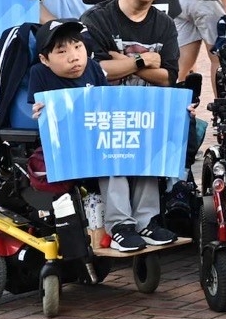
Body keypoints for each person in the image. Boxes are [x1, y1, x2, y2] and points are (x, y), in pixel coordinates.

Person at [29, 18, 179, 252]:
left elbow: (110, 103)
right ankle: (120, 227)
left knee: (142, 147)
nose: (73, 56)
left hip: (99, 137)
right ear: (44, 59)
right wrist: (39, 111)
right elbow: (37, 112)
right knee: (112, 153)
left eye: (77, 47)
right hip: (71, 148)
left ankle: (147, 221)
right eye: (62, 51)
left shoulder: (92, 68)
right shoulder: (39, 74)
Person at [82, 0, 180, 89]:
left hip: (149, 108)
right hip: (107, 107)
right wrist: (142, 60)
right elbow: (94, 70)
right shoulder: (95, 19)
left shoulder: (166, 24)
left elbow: (168, 78)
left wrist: (123, 62)